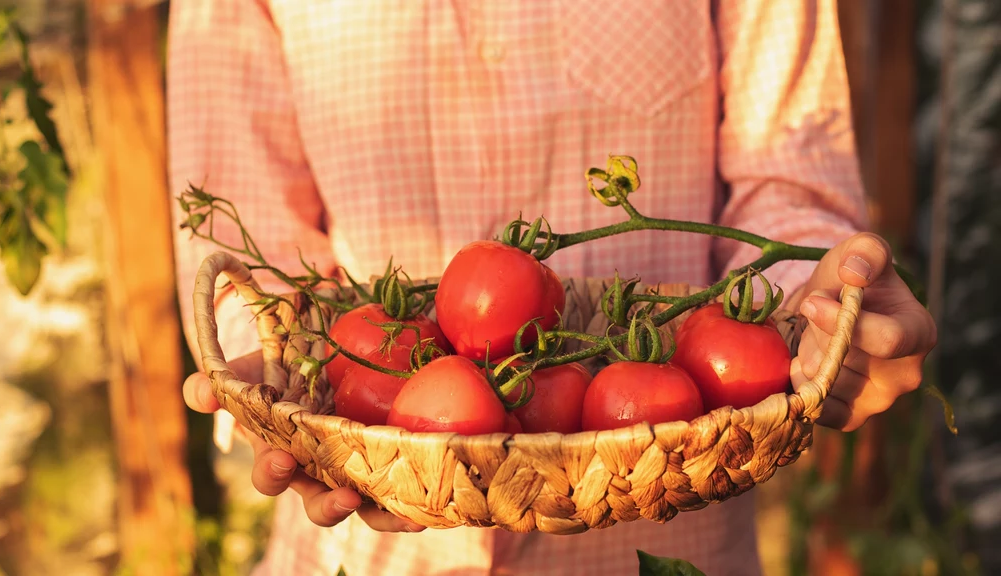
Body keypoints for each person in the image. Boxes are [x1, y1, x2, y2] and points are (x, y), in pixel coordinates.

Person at [167, 1, 937, 574]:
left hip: (667, 533)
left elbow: (788, 182)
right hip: (356, 544)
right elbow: (245, 247)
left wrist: (824, 313)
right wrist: (277, 393)